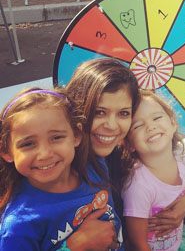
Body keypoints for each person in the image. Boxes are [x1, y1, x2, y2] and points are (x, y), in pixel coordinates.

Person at [64, 58, 185, 250]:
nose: (111, 125)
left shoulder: (121, 156)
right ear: (77, 109)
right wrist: (71, 247)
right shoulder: (56, 173)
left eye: (123, 113)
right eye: (99, 112)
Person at [0, 87, 120, 250]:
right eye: (28, 144)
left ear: (76, 135)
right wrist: (73, 247)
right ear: (7, 152)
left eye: (56, 137)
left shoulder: (95, 167)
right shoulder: (18, 224)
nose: (44, 154)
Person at [121, 90, 185, 251]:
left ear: (173, 122)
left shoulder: (184, 161)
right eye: (138, 126)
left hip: (181, 242)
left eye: (157, 117)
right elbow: (138, 243)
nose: (150, 126)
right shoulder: (138, 187)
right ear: (129, 144)